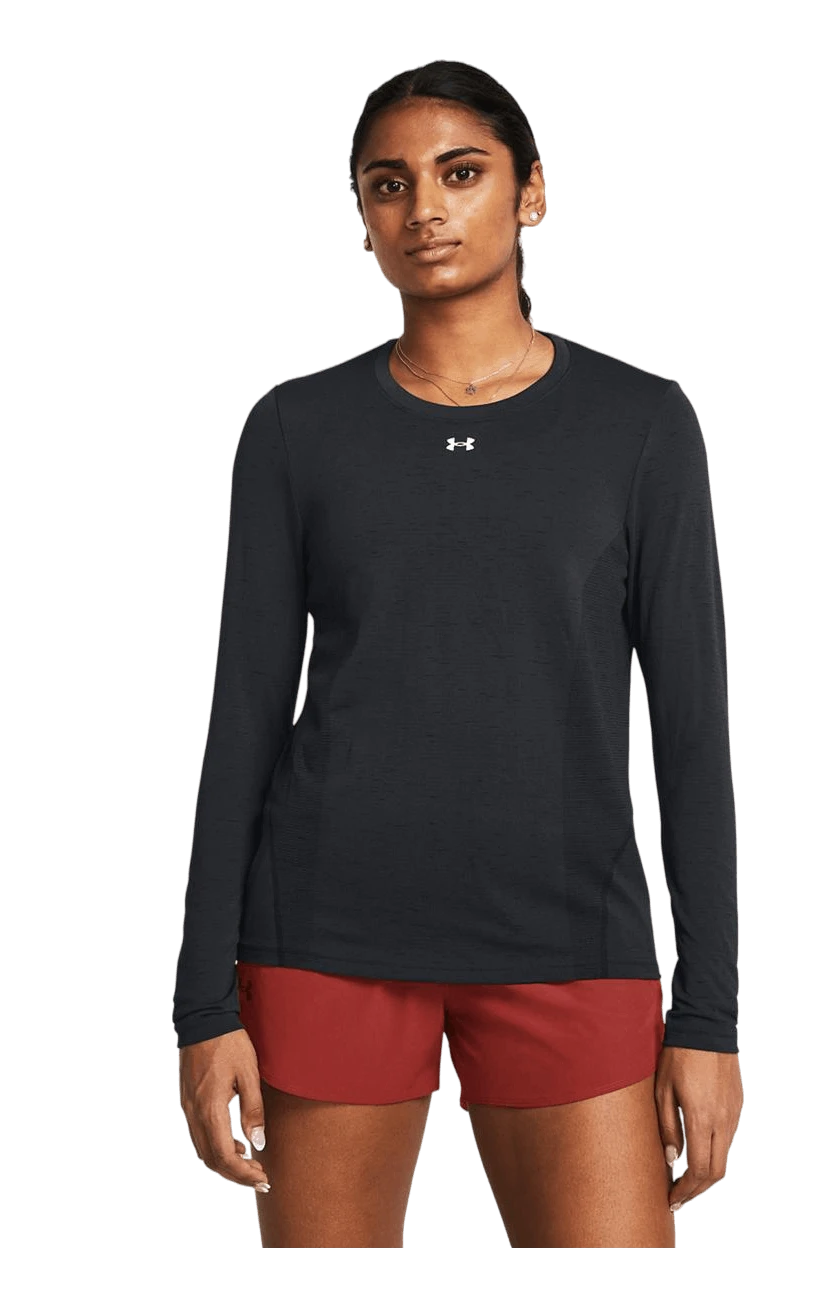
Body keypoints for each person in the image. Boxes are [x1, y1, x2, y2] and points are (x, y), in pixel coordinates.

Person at [174, 59, 740, 1248]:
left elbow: (691, 736)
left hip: (570, 940)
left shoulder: (639, 423)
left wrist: (708, 1021)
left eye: (460, 172)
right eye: (388, 184)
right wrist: (199, 1005)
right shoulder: (294, 428)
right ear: (362, 216)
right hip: (324, 937)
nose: (423, 207)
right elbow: (242, 717)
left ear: (530, 194)